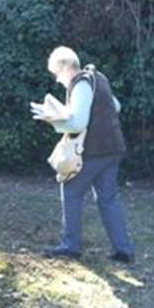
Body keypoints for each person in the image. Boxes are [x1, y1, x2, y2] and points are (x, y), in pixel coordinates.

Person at [35, 46, 135, 263]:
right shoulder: (98, 78)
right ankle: (123, 250)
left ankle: (70, 246)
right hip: (113, 147)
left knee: (70, 190)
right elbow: (115, 106)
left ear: (65, 68)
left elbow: (78, 123)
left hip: (94, 150)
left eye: (56, 74)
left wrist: (52, 120)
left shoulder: (80, 84)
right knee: (108, 198)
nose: (57, 80)